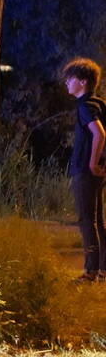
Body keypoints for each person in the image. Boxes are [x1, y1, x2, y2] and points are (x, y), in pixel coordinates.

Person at [63, 57, 106, 283]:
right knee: (98, 220)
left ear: (82, 81)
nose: (66, 83)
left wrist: (91, 162)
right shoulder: (100, 103)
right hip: (98, 171)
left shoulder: (86, 106)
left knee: (86, 220)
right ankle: (102, 270)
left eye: (69, 79)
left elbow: (99, 134)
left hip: (85, 170)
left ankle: (90, 272)